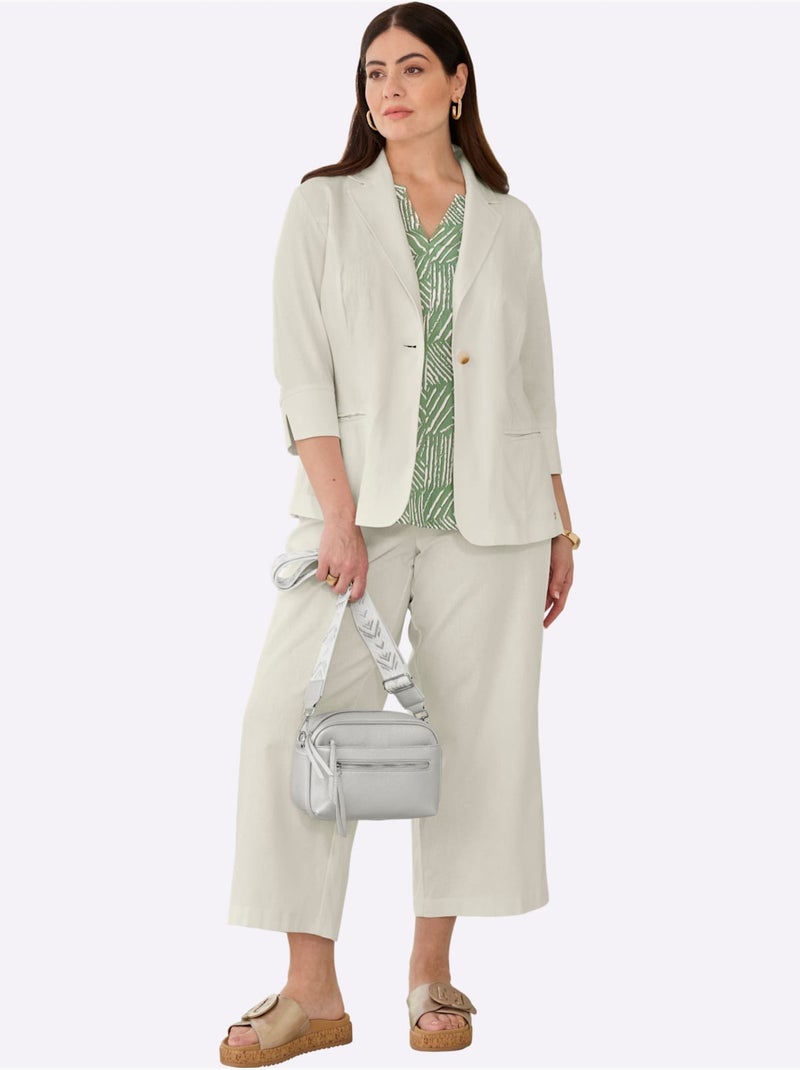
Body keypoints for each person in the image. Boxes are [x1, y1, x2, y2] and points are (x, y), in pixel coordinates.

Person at [220, 2, 578, 1064]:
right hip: (354, 514)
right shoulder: (323, 206)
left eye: (412, 68)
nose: (389, 88)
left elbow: (534, 382)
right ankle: (311, 993)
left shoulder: (510, 221)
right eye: (374, 71)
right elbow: (301, 373)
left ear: (457, 83)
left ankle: (430, 975)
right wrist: (335, 514)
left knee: (472, 734)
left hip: (494, 518)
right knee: (287, 723)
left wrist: (560, 521)